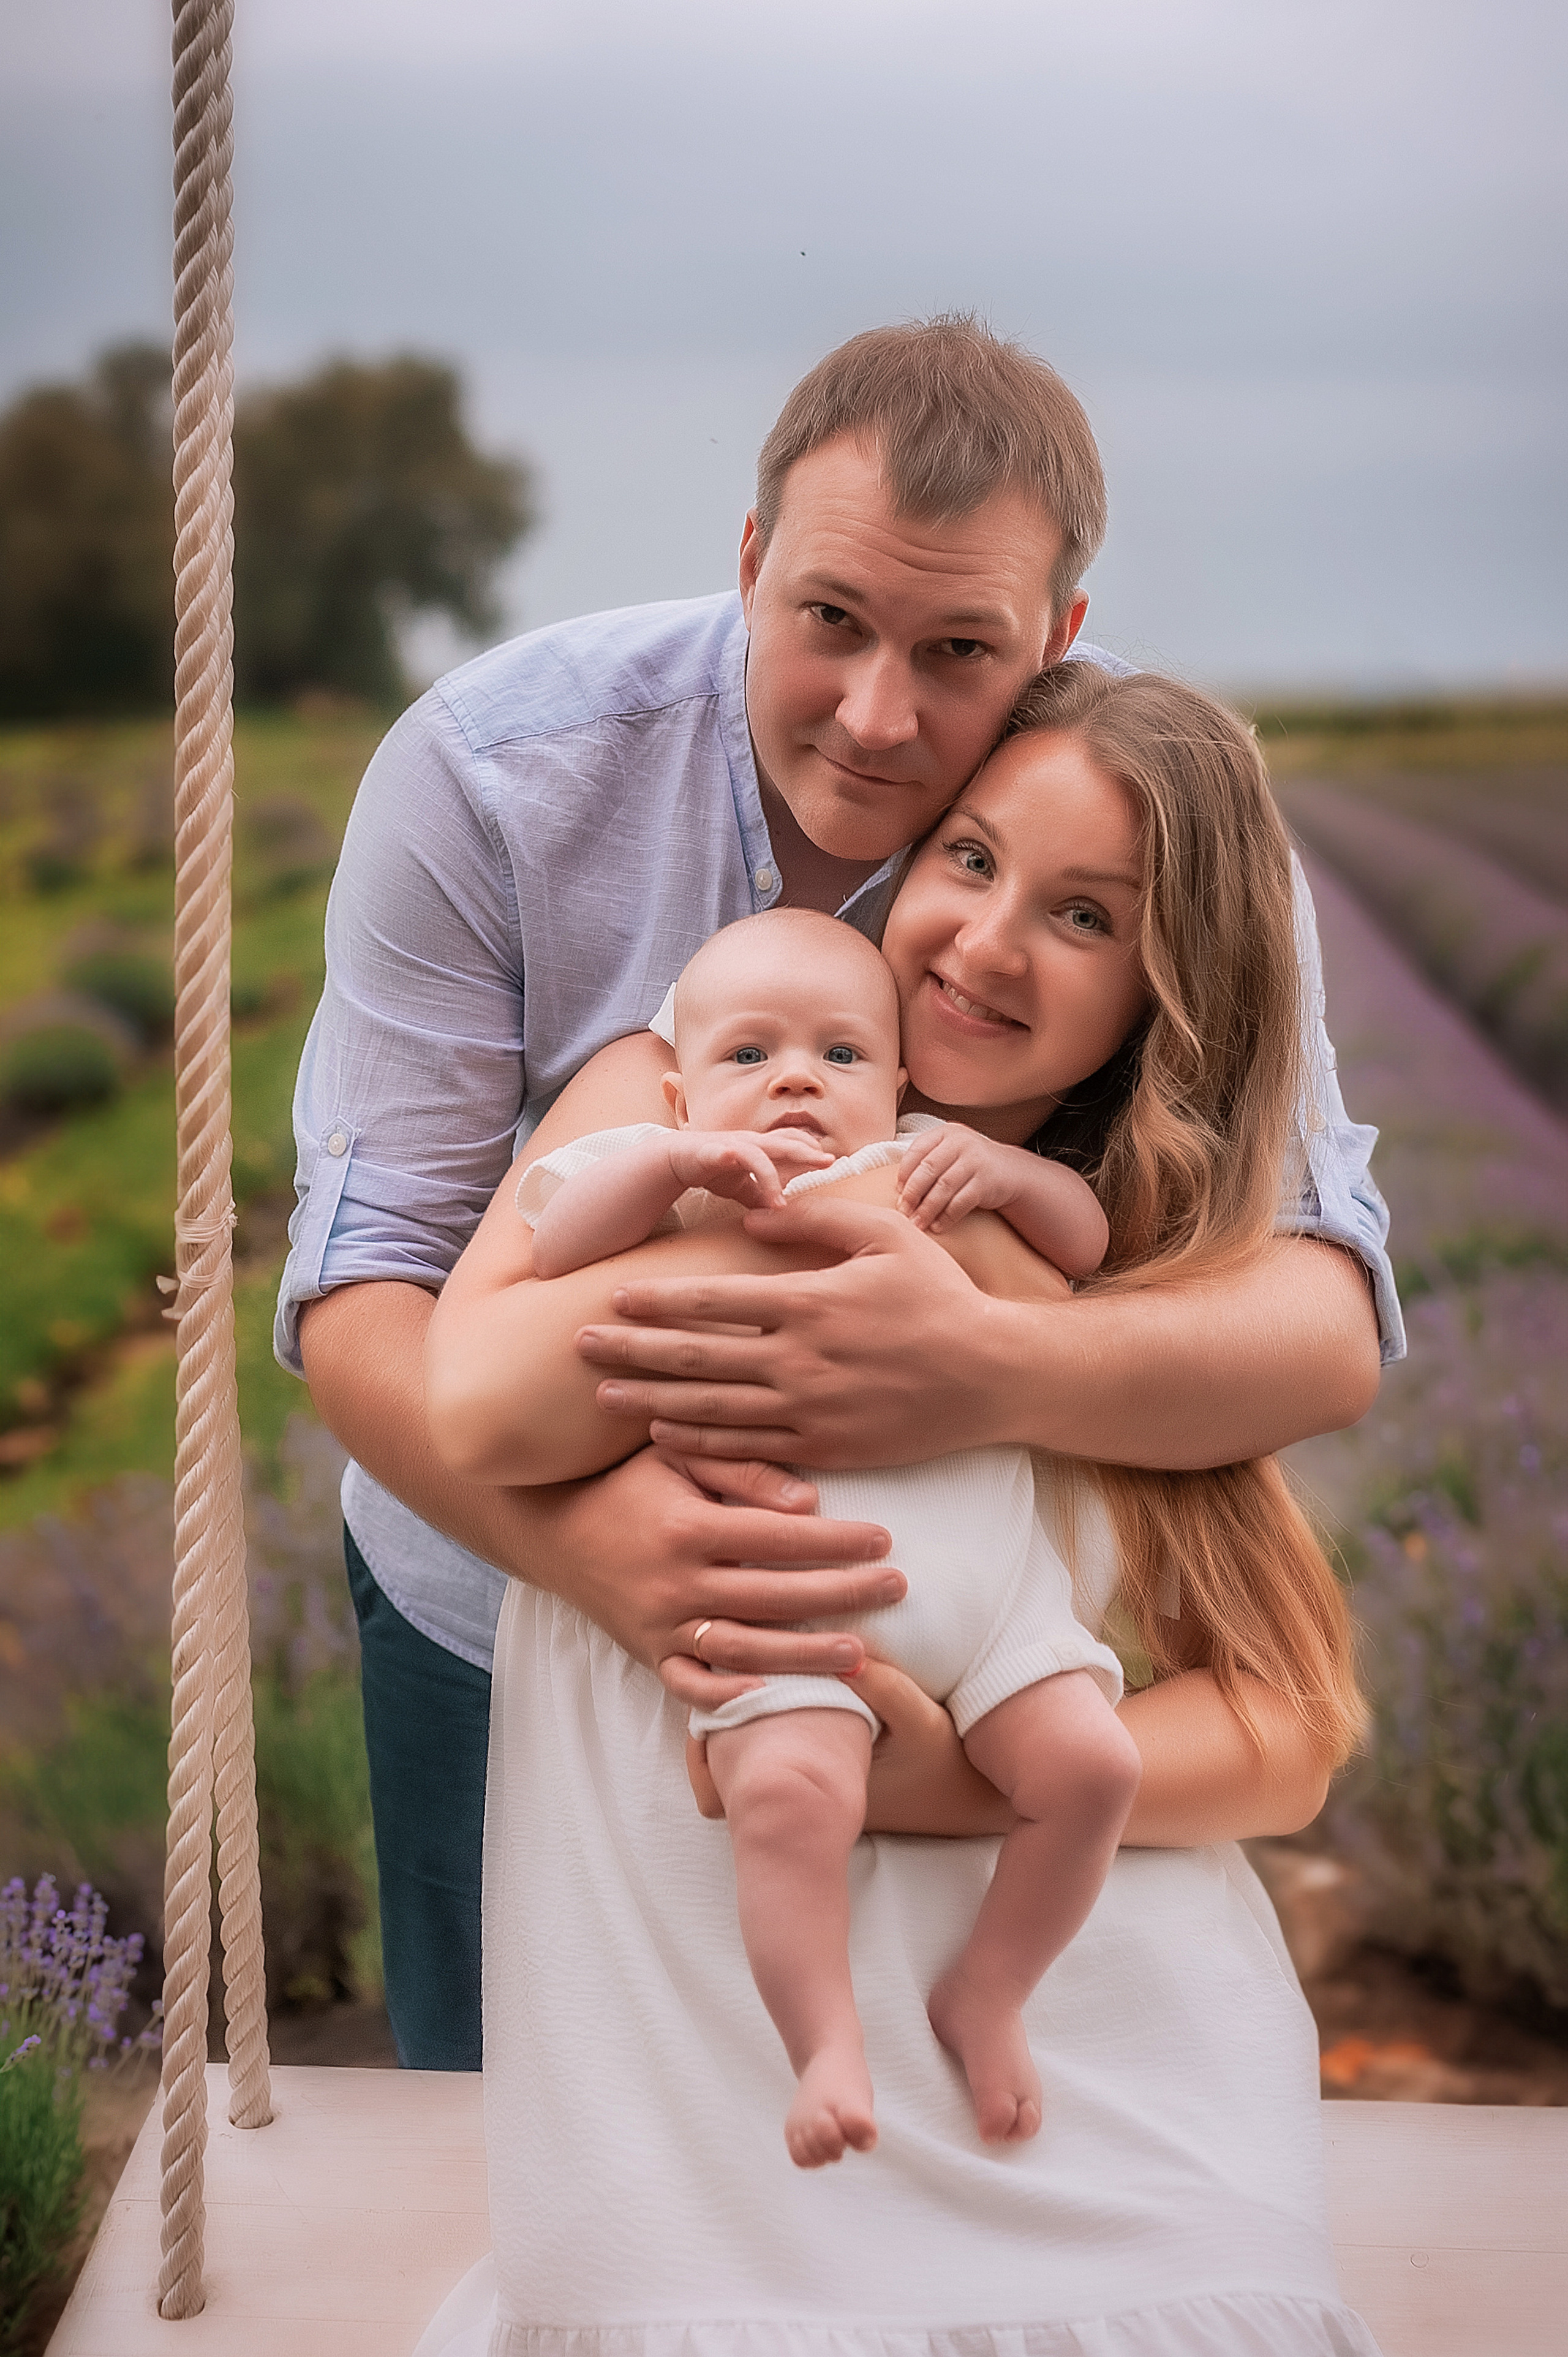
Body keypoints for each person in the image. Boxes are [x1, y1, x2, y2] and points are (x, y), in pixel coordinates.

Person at [278, 316, 1402, 2070]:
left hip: (951, 1628)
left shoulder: (1137, 818)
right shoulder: (494, 779)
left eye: (959, 649)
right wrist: (603, 1555)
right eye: (828, 622)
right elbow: (365, 1300)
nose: (881, 717)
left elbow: (1323, 1309)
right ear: (747, 564)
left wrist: (985, 1371)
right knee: (511, 2123)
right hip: (494, 1598)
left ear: (1057, 641)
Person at [412, 666, 1378, 2355]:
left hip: (1117, 2110)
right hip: (730, 2146)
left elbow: (1290, 1730)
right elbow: (486, 1401)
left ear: (1164, 991)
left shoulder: (1154, 1282)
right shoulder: (688, 1095)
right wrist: (885, 1247)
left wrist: (943, 1775)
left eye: (1087, 916)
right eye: (970, 858)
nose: (990, 945)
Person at [507, 906, 1140, 2163]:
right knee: (790, 1798)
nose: (798, 1078)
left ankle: (988, 1989)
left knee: (1092, 1771)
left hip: (992, 1587)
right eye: (750, 1056)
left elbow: (1082, 1243)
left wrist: (1008, 1175)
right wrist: (671, 1169)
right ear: (682, 1088)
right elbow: (550, 1242)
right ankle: (823, 2043)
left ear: (898, 1080)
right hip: (799, 1590)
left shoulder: (918, 1162)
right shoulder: (665, 1168)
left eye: (841, 1054)